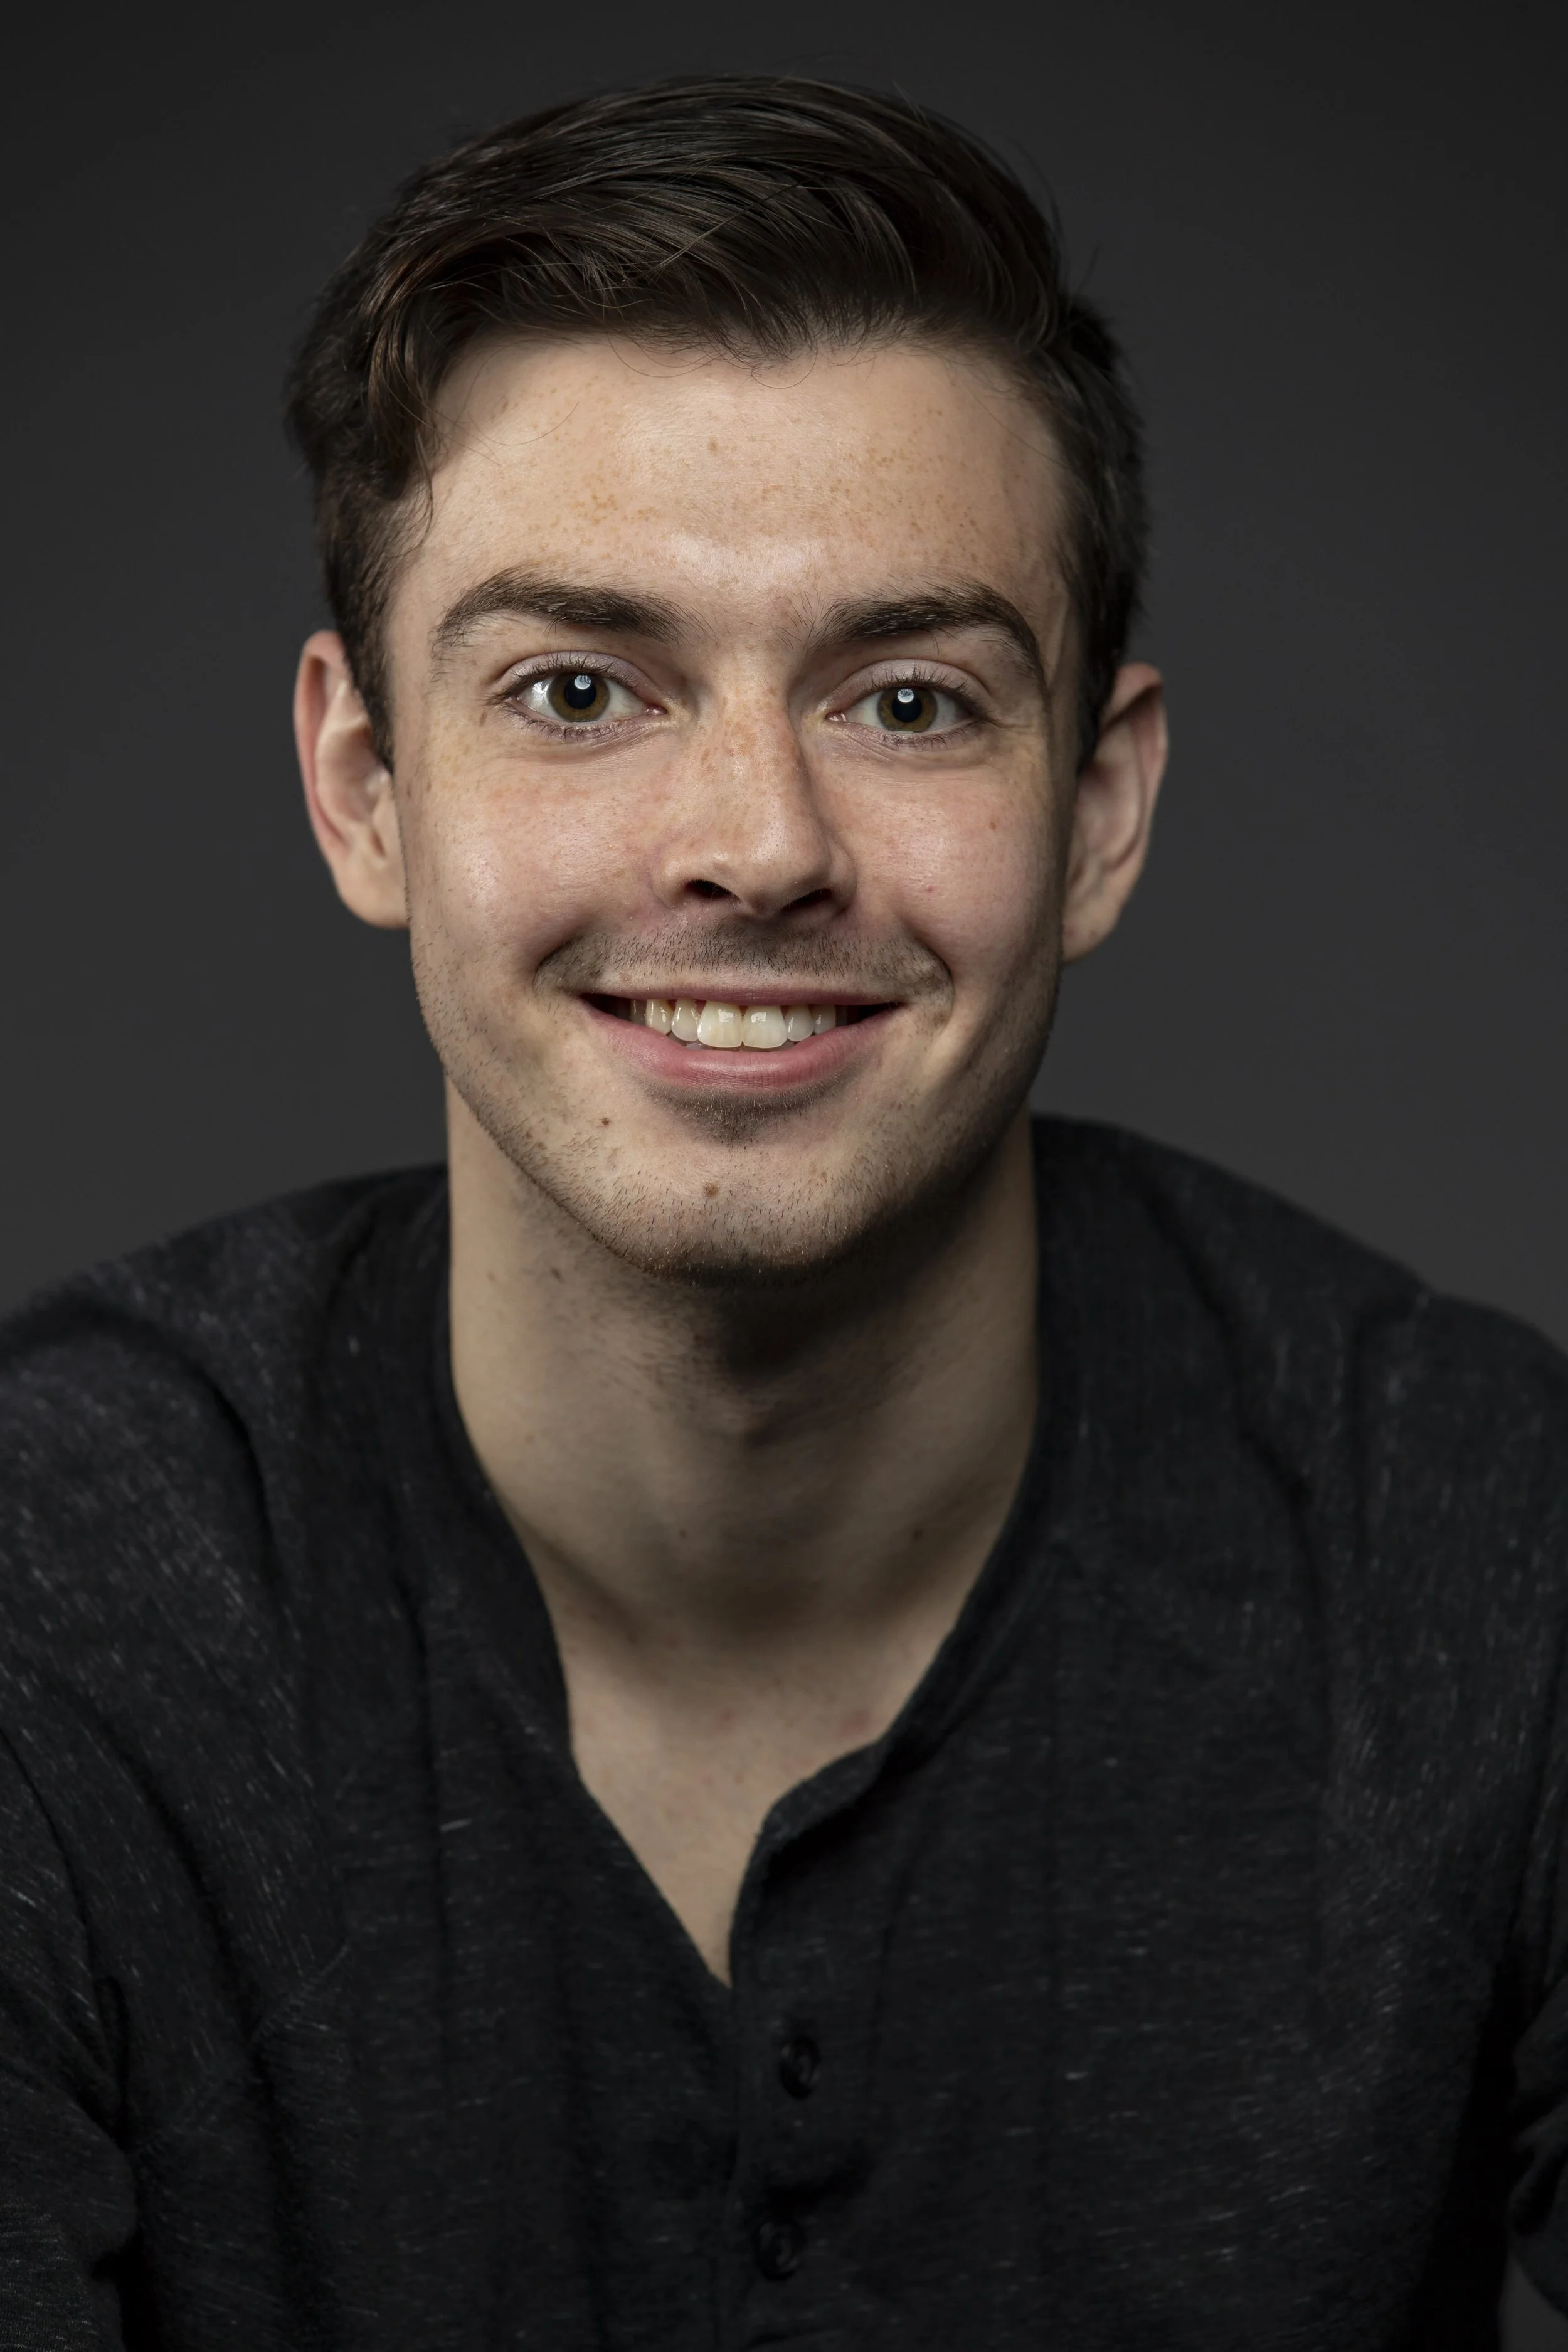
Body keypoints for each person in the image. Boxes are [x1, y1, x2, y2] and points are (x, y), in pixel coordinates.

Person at [1, 72, 1565, 2352]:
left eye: (910, 697)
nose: (754, 843)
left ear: (1100, 812)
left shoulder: (1477, 1540)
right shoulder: (51, 1592)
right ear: (364, 789)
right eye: (574, 688)